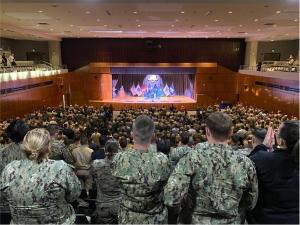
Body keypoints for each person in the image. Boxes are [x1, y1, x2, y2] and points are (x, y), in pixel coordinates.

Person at [164, 112, 258, 224]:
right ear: (231, 132)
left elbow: (171, 197)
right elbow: (251, 202)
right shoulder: (246, 163)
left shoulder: (191, 159)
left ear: (207, 131)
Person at [0, 128, 81, 224]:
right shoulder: (60, 167)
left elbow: (4, 197)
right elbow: (73, 195)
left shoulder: (9, 169)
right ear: (49, 147)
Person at [112, 115, 171, 224]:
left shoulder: (119, 158)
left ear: (131, 135)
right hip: (156, 219)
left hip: (127, 219)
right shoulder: (162, 160)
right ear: (153, 136)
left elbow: (115, 183)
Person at [248, 121, 299, 224]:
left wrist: (262, 147)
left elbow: (245, 165)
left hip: (264, 220)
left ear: (281, 141)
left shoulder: (262, 158)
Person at [91, 139, 122, 224]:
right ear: (118, 150)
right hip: (120, 204)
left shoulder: (96, 164)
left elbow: (93, 177)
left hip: (103, 205)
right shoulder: (124, 166)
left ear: (105, 150)